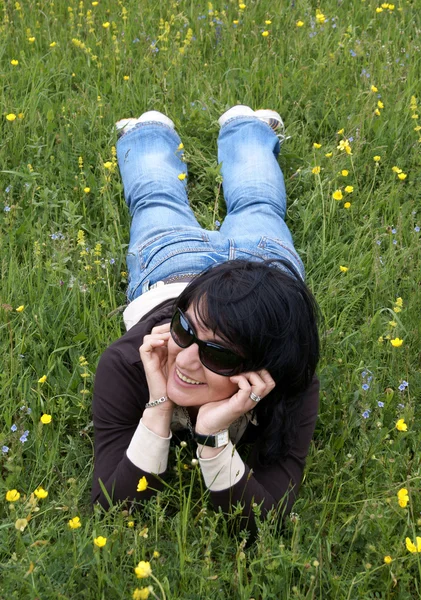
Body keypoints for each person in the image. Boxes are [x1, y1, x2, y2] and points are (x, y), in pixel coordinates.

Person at [92, 105, 320, 535]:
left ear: (264, 367)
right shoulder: (128, 362)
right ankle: (152, 129)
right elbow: (111, 505)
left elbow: (264, 524)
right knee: (249, 201)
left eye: (217, 353)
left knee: (171, 201)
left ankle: (240, 125)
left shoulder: (293, 384)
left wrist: (213, 439)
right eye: (184, 331)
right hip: (179, 271)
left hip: (259, 297)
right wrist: (159, 407)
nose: (183, 361)